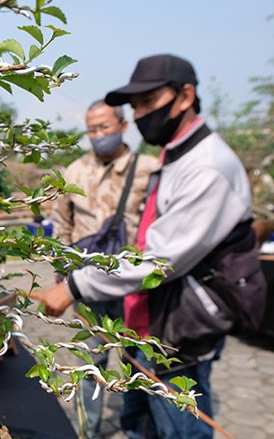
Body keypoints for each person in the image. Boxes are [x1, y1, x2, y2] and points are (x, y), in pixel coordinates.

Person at [32, 54, 256, 438]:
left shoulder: (205, 167)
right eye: (135, 106)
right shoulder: (174, 156)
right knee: (133, 413)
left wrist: (73, 287)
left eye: (149, 102)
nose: (140, 115)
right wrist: (65, 269)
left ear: (185, 96)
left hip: (177, 325)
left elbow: (159, 260)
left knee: (178, 427)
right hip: (145, 312)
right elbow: (63, 222)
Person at [49, 100, 158, 438]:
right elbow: (61, 224)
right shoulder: (74, 172)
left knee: (137, 361)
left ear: (123, 126)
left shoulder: (149, 169)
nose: (97, 135)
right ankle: (86, 431)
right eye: (91, 129)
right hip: (86, 283)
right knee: (88, 361)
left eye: (104, 127)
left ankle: (137, 427)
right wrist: (62, 273)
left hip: (134, 285)